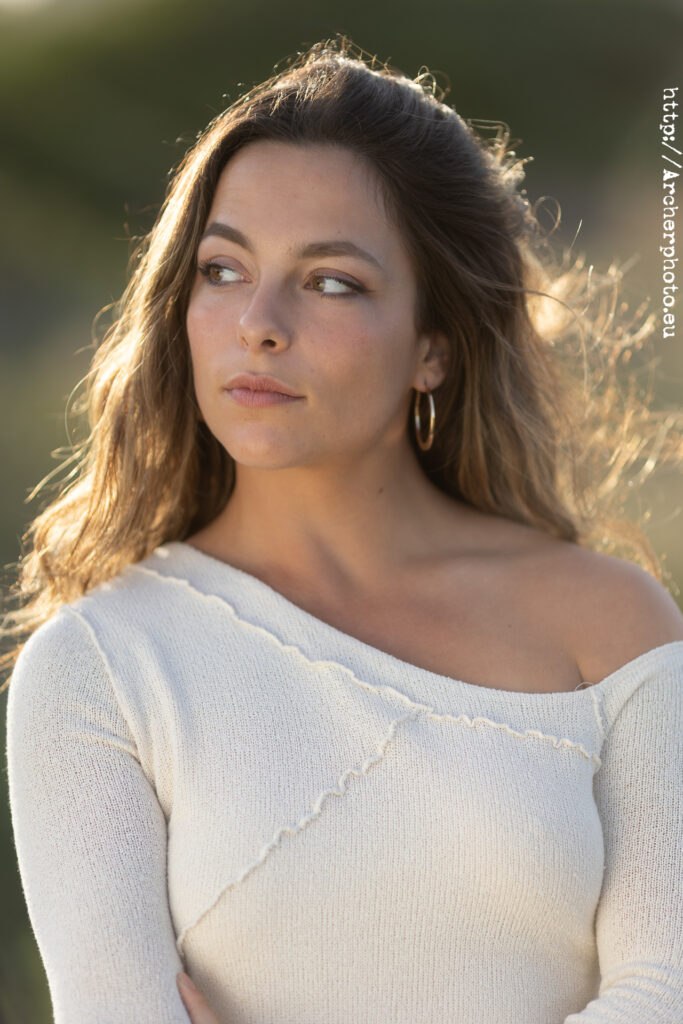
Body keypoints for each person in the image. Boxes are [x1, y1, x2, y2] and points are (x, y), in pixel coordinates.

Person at [3, 34, 683, 1024]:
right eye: (222, 269)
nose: (259, 322)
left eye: (330, 282)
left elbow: (667, 991)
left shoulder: (610, 626)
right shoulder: (103, 667)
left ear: (433, 349)